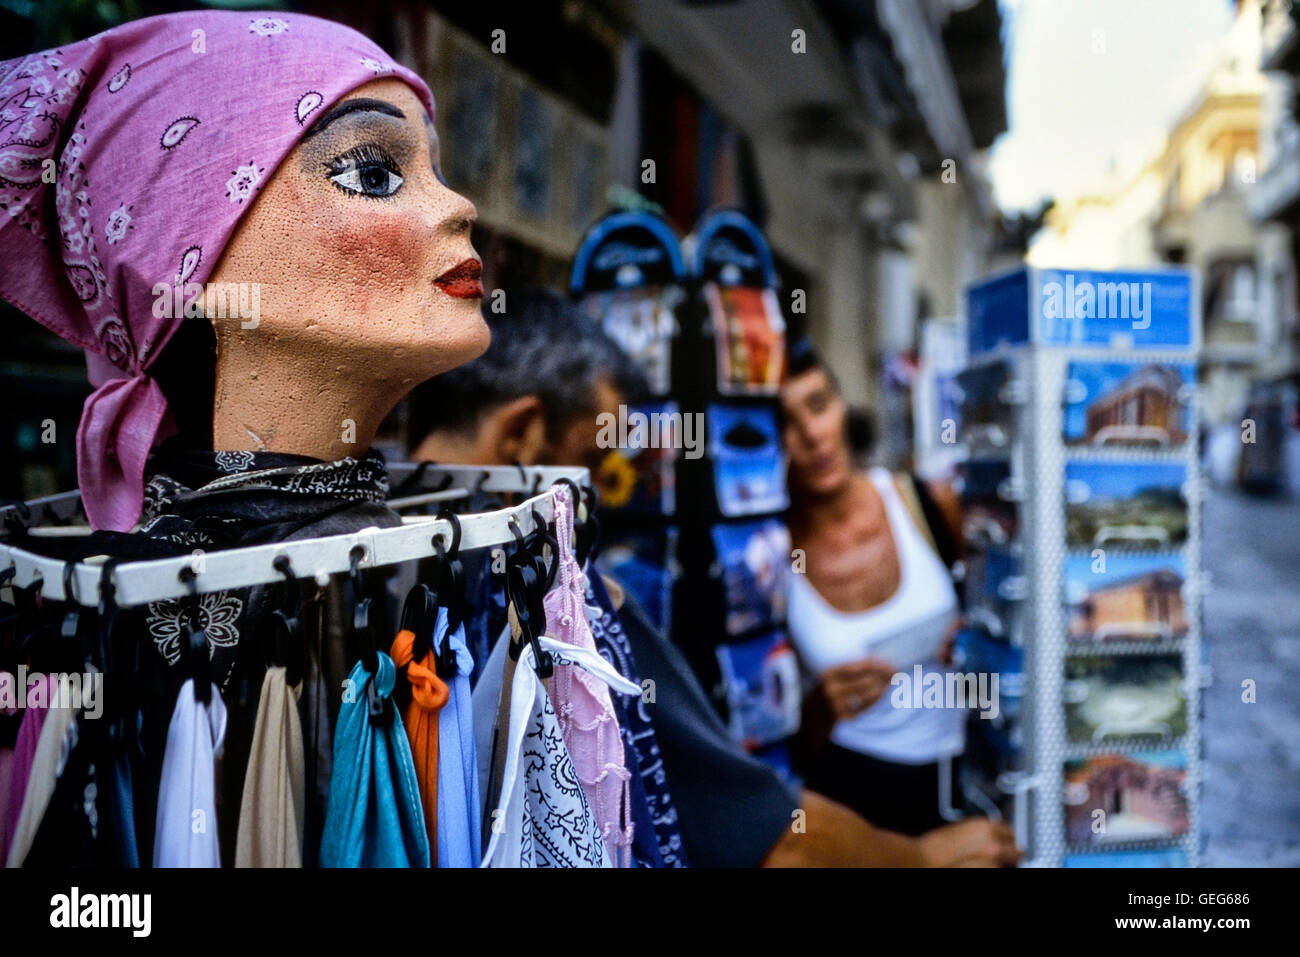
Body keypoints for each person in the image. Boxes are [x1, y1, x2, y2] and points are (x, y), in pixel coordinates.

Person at [0, 10, 487, 865]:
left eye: (434, 169)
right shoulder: (112, 629)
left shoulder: (468, 563)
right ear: (188, 254)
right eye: (374, 173)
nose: (458, 204)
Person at [408, 287, 1021, 867]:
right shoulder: (571, 605)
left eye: (820, 406)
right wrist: (917, 859)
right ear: (522, 435)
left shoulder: (360, 562)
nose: (594, 496)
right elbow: (762, 833)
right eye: (591, 462)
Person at [781, 336, 972, 836]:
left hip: (958, 778)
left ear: (843, 407)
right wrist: (817, 710)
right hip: (846, 797)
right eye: (785, 423)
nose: (811, 435)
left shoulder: (928, 504)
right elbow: (769, 734)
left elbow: (1004, 622)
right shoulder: (767, 559)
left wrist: (977, 643)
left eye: (819, 406)